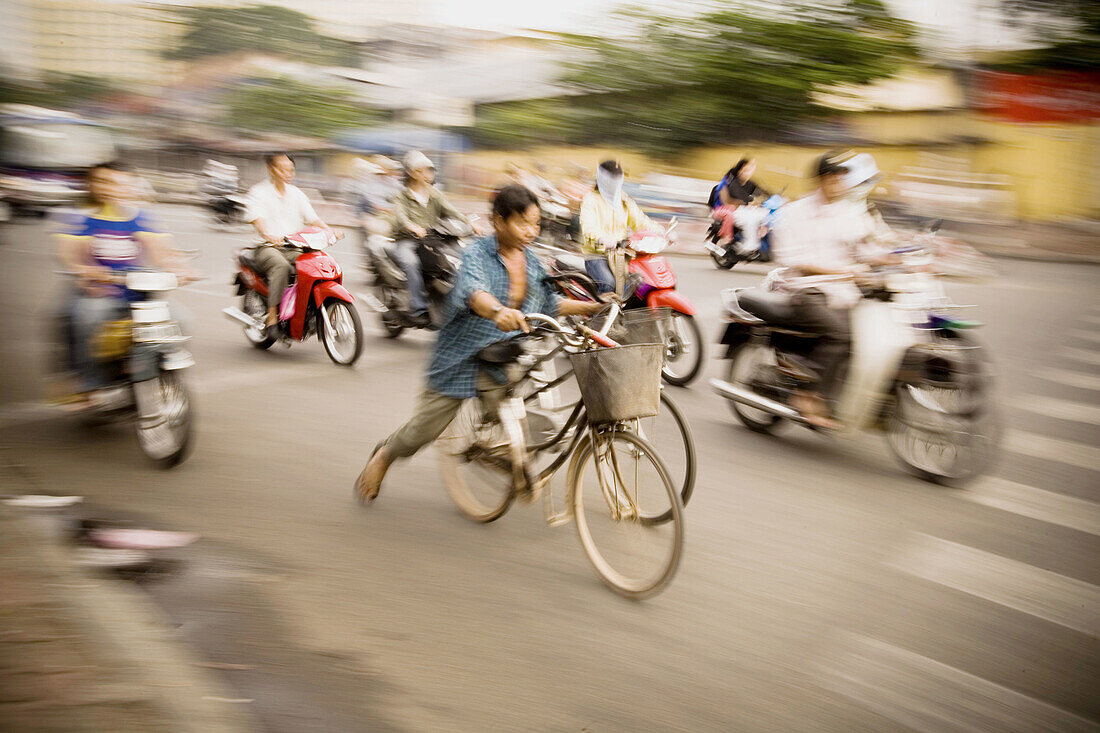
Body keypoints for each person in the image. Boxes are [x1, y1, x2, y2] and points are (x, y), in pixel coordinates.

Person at [354, 185, 603, 503]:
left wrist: (590, 307)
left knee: (513, 407)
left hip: (500, 353)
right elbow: (475, 292)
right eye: (522, 223)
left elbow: (547, 301)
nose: (531, 231)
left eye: (535, 224)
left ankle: (495, 450)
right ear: (499, 221)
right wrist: (498, 311)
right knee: (423, 431)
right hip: (461, 355)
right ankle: (385, 456)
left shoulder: (530, 260)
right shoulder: (477, 254)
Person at [768, 151, 895, 430]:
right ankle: (809, 395)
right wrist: (843, 272)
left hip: (844, 291)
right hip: (805, 291)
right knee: (842, 335)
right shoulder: (793, 214)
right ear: (823, 180)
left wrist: (894, 256)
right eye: (837, 178)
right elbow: (792, 261)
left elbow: (865, 249)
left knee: (869, 337)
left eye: (844, 179)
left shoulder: (848, 214)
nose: (842, 184)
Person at [56, 162, 179, 402]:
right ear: (92, 185)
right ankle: (90, 384)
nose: (112, 189)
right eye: (104, 182)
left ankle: (162, 373)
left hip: (137, 291)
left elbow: (163, 250)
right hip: (98, 291)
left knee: (182, 320)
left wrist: (181, 268)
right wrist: (86, 271)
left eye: (119, 183)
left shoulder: (141, 216)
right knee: (87, 318)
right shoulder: (81, 217)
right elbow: (69, 255)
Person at [244, 153, 335, 335]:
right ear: (271, 169)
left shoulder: (296, 193)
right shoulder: (258, 192)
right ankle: (272, 316)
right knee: (281, 266)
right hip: (267, 247)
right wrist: (268, 235)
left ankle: (313, 308)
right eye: (282, 169)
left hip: (294, 246)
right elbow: (257, 219)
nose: (288, 173)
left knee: (322, 264)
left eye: (291, 169)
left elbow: (312, 218)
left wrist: (329, 231)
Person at [390, 150, 475, 327]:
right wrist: (411, 226)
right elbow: (400, 217)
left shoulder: (434, 194)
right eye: (424, 169)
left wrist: (470, 223)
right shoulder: (401, 196)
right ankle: (419, 309)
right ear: (413, 173)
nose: (429, 173)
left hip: (432, 239)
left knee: (463, 256)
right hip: (407, 241)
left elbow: (451, 210)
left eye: (430, 169)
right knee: (411, 263)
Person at [579, 160, 656, 294]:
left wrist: (662, 232)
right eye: (612, 177)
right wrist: (602, 238)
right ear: (602, 178)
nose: (616, 181)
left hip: (621, 255)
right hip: (597, 255)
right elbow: (588, 225)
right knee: (609, 284)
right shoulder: (591, 200)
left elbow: (641, 221)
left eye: (618, 177)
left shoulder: (624, 200)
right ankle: (600, 314)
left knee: (640, 282)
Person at [710, 157, 771, 246]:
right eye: (747, 170)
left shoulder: (749, 183)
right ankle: (740, 242)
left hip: (734, 209)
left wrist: (772, 196)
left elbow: (762, 191)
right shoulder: (730, 184)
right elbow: (734, 199)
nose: (749, 172)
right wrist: (750, 201)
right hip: (725, 210)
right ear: (740, 171)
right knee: (750, 220)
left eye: (751, 169)